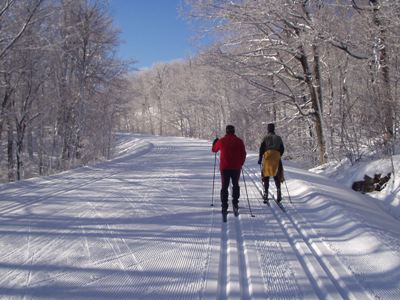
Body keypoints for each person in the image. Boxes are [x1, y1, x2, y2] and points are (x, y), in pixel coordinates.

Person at [212, 125, 246, 222]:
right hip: (236, 167)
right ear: (234, 131)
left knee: (224, 186)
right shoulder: (239, 141)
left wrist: (214, 143)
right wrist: (241, 163)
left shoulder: (221, 141)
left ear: (226, 131)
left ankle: (224, 206)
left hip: (225, 168)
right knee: (235, 185)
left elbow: (214, 150)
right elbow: (243, 153)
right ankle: (235, 203)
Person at [258, 123, 284, 203]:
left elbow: (261, 148)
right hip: (276, 156)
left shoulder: (265, 138)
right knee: (277, 174)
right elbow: (282, 148)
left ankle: (266, 193)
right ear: (274, 129)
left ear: (268, 129)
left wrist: (260, 158)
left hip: (267, 156)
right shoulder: (278, 138)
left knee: (266, 175)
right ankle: (278, 191)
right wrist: (279, 155)